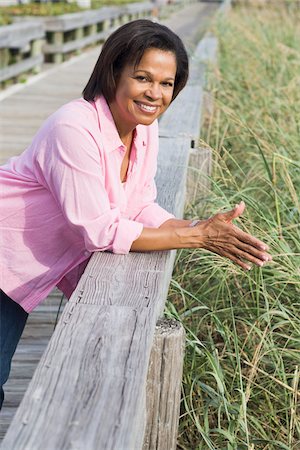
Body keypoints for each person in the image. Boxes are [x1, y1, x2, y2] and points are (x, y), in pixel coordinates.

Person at [0, 19, 272, 410]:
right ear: (114, 72)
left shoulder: (144, 129)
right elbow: (99, 230)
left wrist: (198, 228)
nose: (155, 94)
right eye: (143, 77)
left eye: (166, 83)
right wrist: (194, 238)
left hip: (23, 272)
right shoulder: (74, 127)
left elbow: (139, 205)